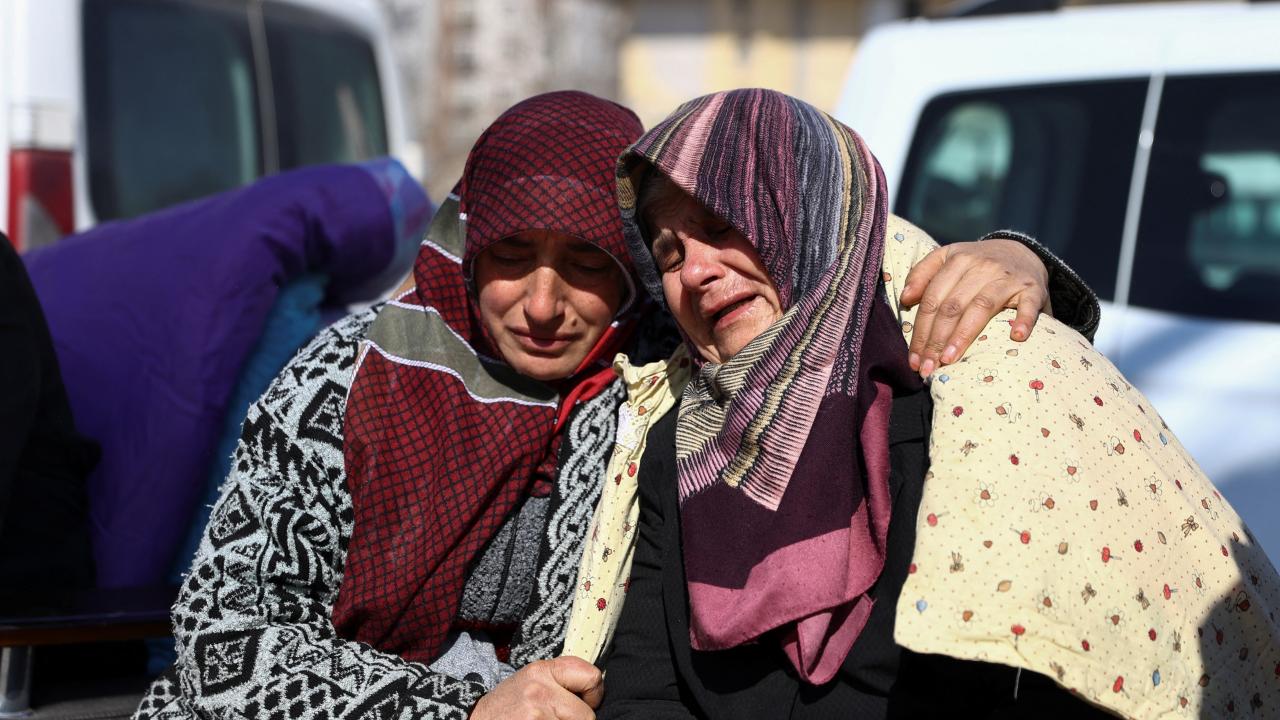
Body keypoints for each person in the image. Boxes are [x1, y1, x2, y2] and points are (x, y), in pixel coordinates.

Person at [134, 90, 1084, 720]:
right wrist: (457, 711)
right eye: (511, 258)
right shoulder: (345, 379)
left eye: (589, 264)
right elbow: (222, 642)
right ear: (466, 246)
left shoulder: (661, 366)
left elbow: (831, 265)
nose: (543, 306)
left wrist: (1017, 259)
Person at [598, 88, 1279, 719]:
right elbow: (644, 690)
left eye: (721, 225)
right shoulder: (677, 444)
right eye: (669, 254)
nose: (695, 271)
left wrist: (1022, 256)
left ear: (805, 211)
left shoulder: (968, 403)